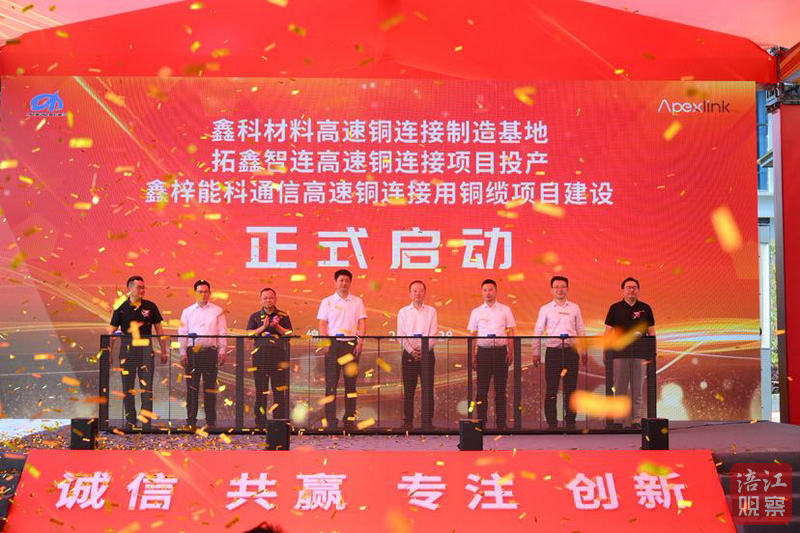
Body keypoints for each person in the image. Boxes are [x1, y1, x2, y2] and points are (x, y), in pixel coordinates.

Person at [108, 275, 168, 429]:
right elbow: (112, 333)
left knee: (147, 389)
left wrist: (164, 351)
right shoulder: (121, 308)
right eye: (138, 287)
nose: (142, 290)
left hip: (146, 352)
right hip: (127, 353)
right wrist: (109, 353)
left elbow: (159, 330)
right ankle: (131, 420)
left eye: (143, 287)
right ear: (130, 289)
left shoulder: (151, 306)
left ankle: (146, 420)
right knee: (127, 388)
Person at [533, 276, 587, 429]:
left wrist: (584, 351)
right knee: (552, 388)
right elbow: (538, 331)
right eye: (556, 287)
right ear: (551, 290)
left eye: (563, 287)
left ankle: (570, 421)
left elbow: (581, 330)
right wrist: (536, 352)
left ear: (567, 289)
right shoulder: (545, 309)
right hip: (553, 352)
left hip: (571, 351)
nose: (560, 290)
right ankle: (552, 422)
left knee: (571, 388)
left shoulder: (574, 308)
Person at [317, 269, 367, 430]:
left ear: (350, 283)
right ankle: (331, 418)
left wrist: (360, 341)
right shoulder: (327, 301)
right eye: (341, 280)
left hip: (351, 345)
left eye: (346, 280)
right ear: (335, 282)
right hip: (333, 345)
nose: (344, 283)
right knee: (331, 384)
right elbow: (322, 323)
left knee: (350, 384)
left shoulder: (357, 301)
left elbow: (362, 322)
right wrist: (326, 342)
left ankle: (349, 418)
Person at [604, 277, 656, 429]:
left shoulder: (646, 308)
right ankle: (618, 420)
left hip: (640, 354)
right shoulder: (614, 308)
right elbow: (608, 332)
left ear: (638, 290)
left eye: (634, 287)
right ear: (623, 290)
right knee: (619, 388)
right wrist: (605, 351)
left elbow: (652, 332)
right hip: (619, 354)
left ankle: (636, 420)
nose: (631, 290)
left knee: (637, 389)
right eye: (628, 287)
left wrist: (652, 352)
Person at [467, 279, 516, 430]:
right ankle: (481, 423)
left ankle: (501, 423)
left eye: (490, 290)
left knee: (501, 390)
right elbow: (473, 335)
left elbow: (511, 332)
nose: (488, 293)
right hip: (483, 353)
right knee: (482, 390)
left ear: (496, 291)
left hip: (501, 352)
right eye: (485, 290)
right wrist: (473, 355)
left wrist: (511, 351)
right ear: (482, 292)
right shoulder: (476, 312)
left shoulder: (505, 310)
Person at [178, 279, 227, 429]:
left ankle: (210, 422)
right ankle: (191, 421)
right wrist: (182, 352)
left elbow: (222, 332)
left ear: (210, 293)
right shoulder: (187, 311)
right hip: (192, 354)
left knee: (210, 388)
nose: (203, 294)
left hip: (210, 353)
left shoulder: (218, 310)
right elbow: (182, 333)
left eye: (206, 292)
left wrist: (222, 350)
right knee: (192, 388)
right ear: (195, 293)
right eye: (200, 292)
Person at [247, 288, 293, 427]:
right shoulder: (255, 316)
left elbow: (289, 334)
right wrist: (264, 327)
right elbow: (249, 334)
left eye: (271, 298)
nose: (268, 300)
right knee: (261, 390)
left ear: (275, 299)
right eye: (265, 298)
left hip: (278, 357)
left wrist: (277, 326)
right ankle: (260, 422)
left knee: (278, 390)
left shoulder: (283, 316)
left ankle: (279, 421)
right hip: (260, 357)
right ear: (261, 300)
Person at [396, 280, 438, 430]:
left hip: (428, 355)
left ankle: (427, 421)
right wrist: (412, 351)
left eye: (421, 291)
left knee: (428, 389)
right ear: (410, 293)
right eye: (414, 291)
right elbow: (401, 335)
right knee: (409, 389)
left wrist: (424, 351)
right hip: (409, 355)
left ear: (424, 293)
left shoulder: (431, 311)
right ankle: (408, 421)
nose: (418, 294)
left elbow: (434, 334)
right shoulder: (403, 312)